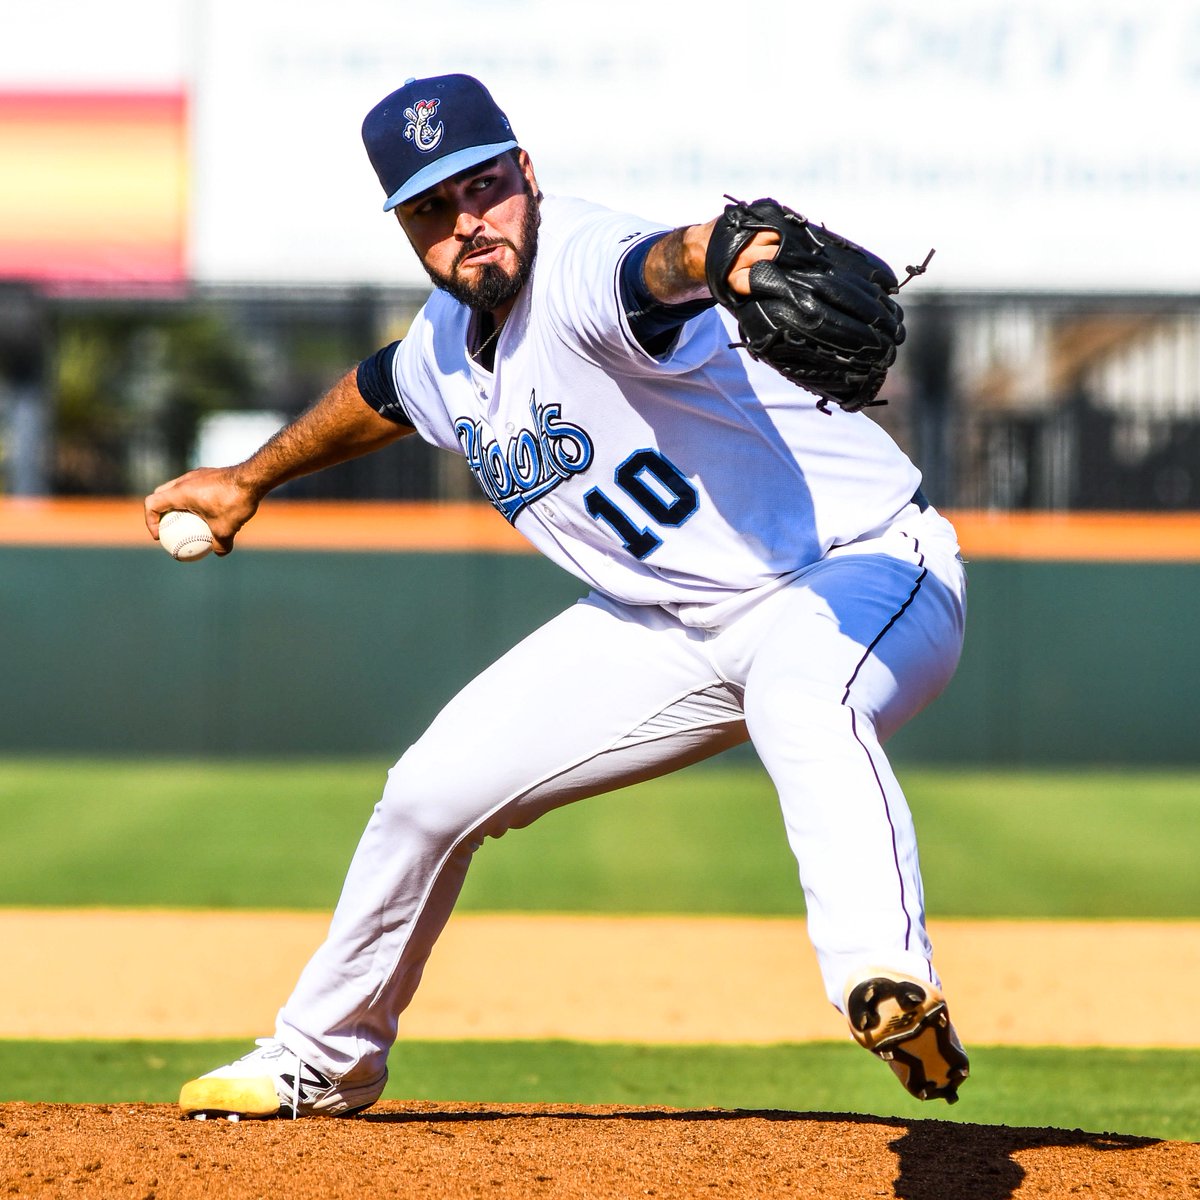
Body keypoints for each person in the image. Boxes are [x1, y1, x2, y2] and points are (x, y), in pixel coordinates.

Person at [145, 73, 970, 1119]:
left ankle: (882, 978)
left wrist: (721, 254)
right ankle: (324, 1056)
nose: (467, 225)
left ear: (526, 173)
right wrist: (248, 478)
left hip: (861, 571)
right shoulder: (446, 343)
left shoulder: (579, 263)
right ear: (406, 229)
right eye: (432, 209)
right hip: (669, 621)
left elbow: (657, 268)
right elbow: (380, 393)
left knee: (805, 703)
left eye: (482, 187)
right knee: (426, 795)